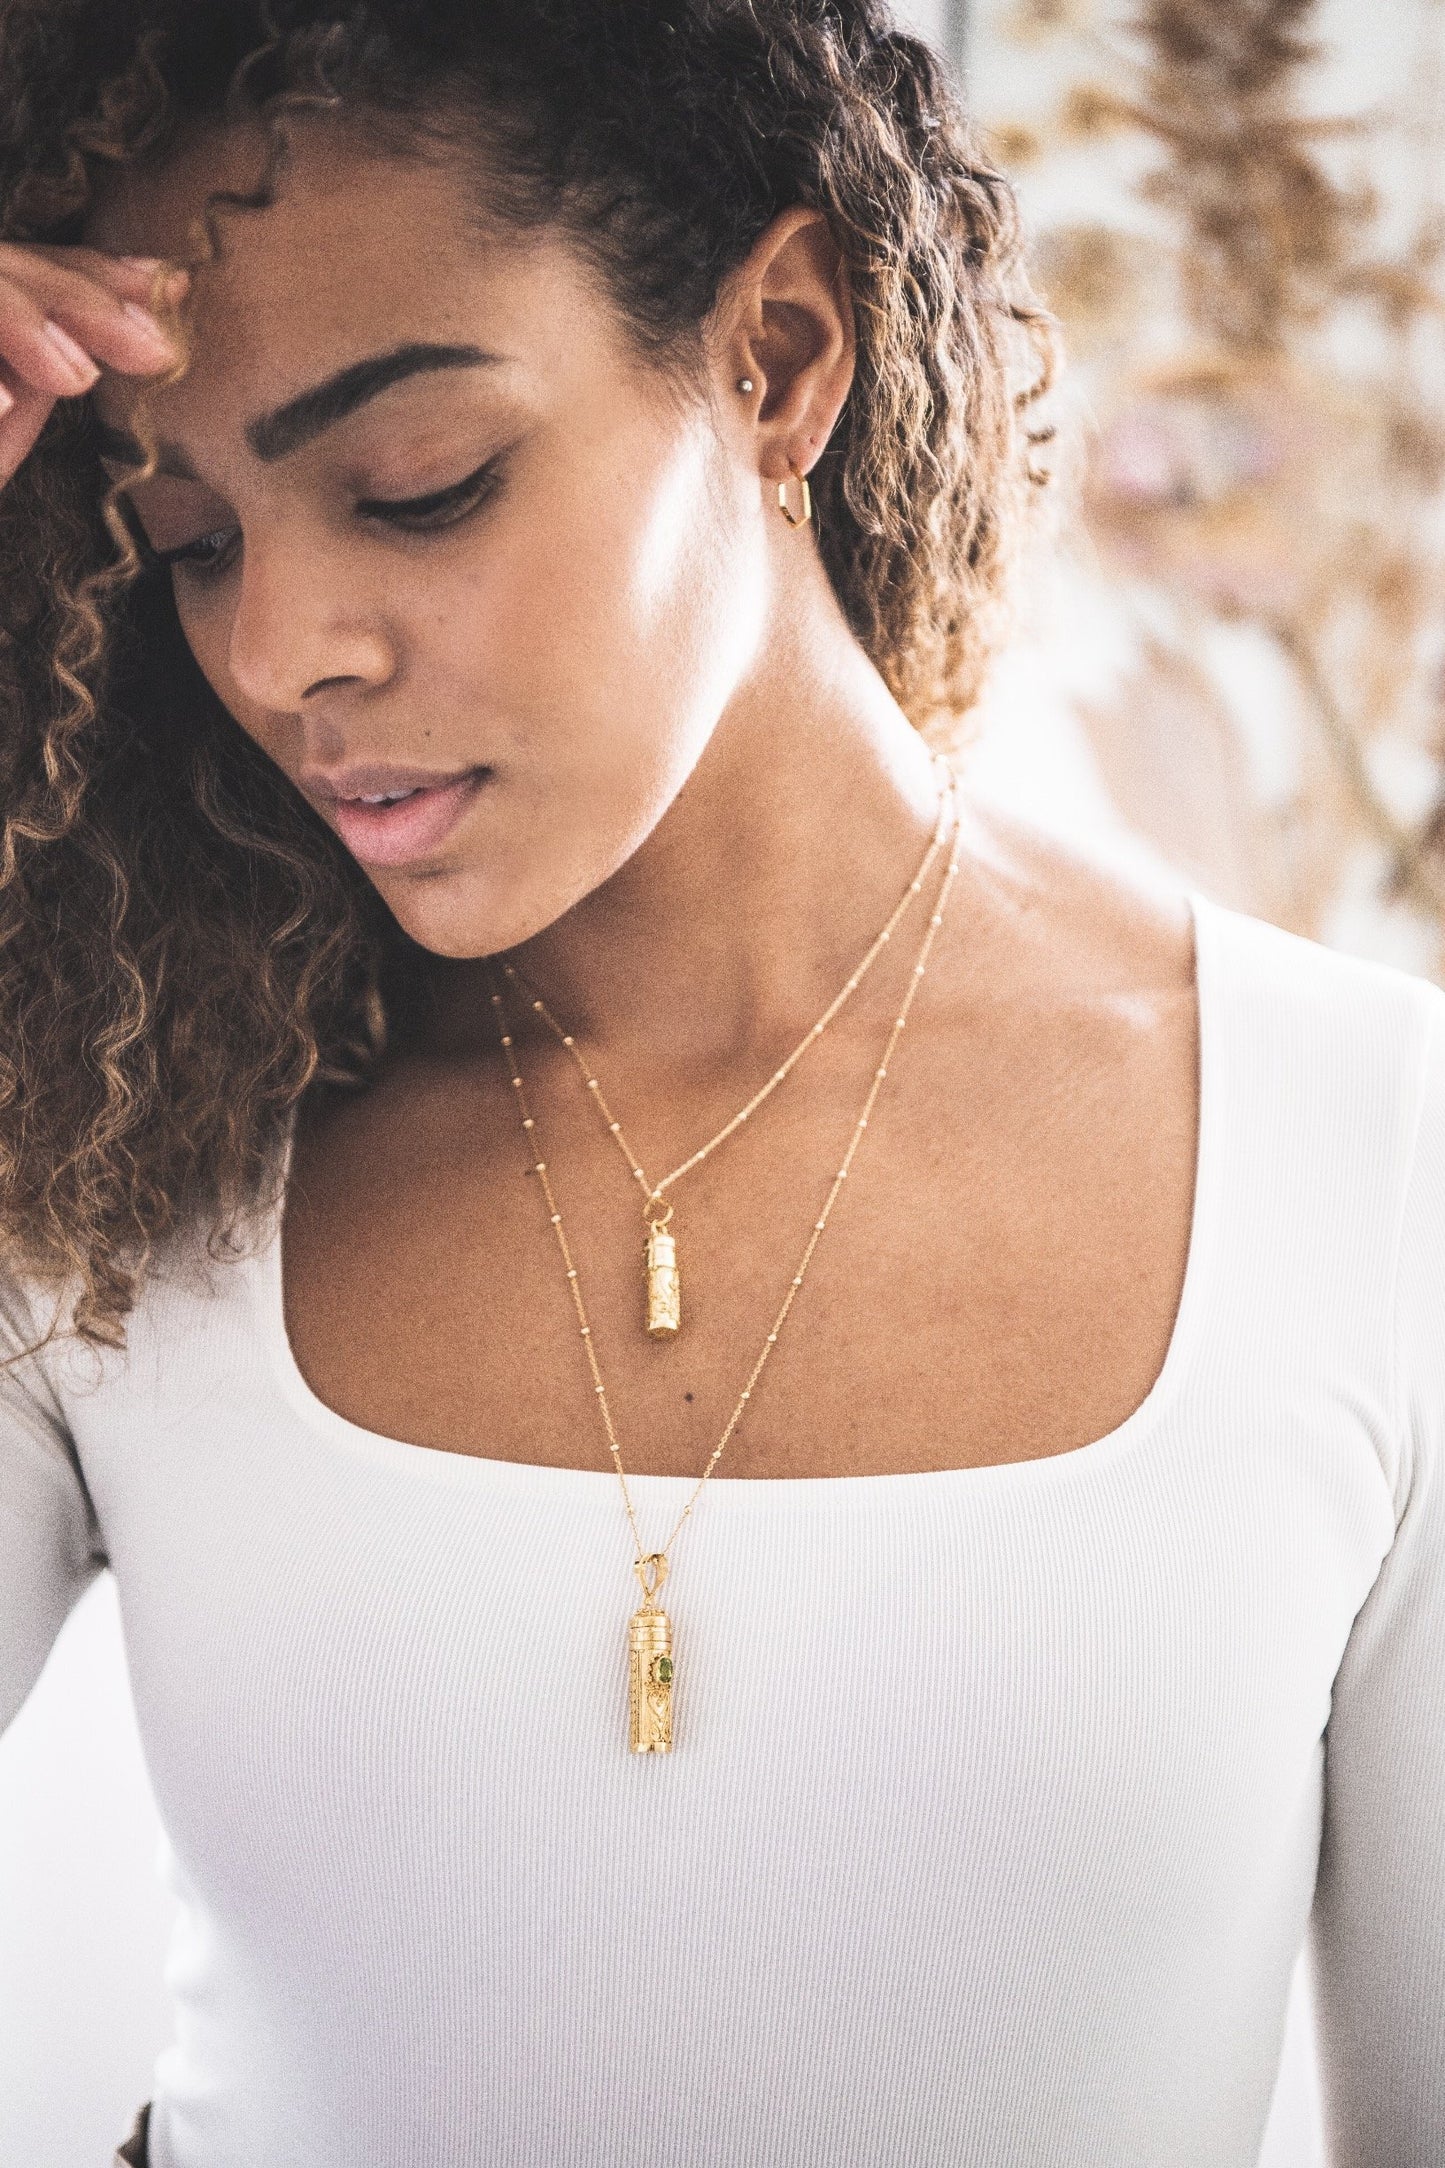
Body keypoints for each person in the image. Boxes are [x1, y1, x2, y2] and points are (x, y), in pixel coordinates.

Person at [0, 3, 1440, 2163]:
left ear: (774, 354)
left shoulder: (1372, 1155)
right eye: (189, 536)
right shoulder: (109, 1144)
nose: (285, 645)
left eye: (420, 486)